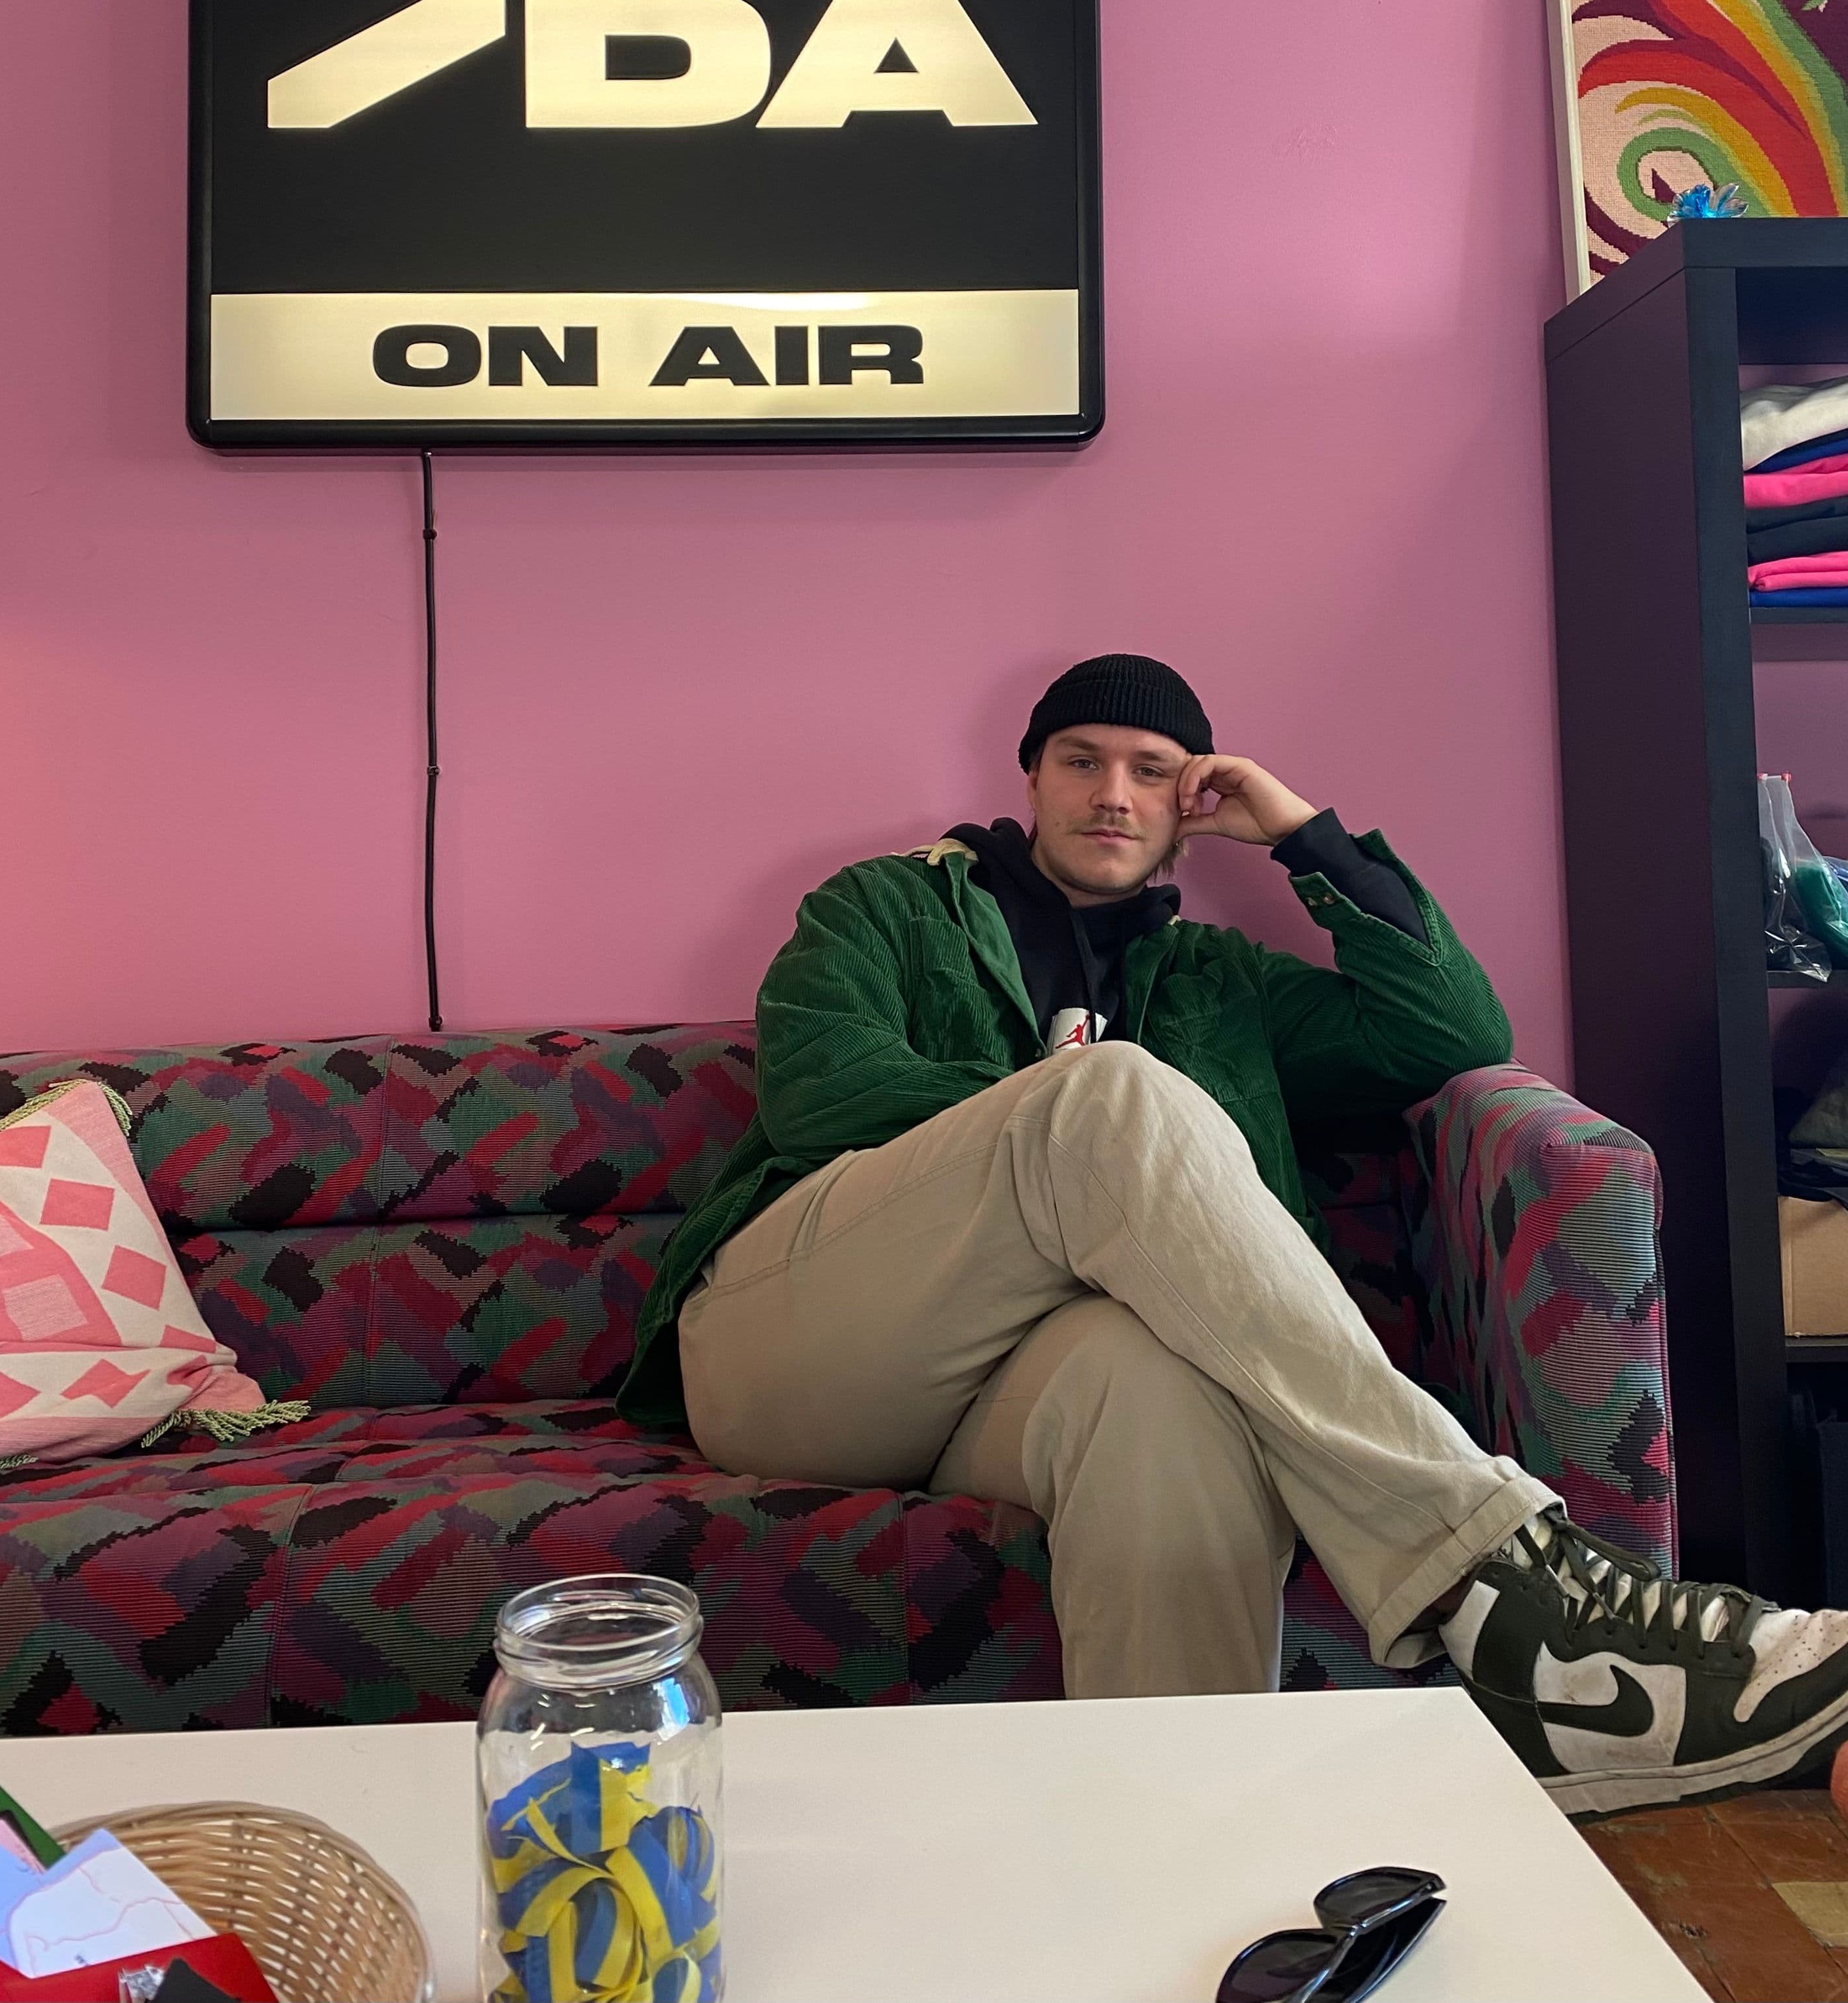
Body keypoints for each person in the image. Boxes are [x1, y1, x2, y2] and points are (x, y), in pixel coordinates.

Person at [622, 652, 1848, 1817]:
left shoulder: (1218, 981)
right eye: (1081, 761)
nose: (1113, 793)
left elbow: (1452, 1035)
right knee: (1109, 1095)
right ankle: (1514, 1588)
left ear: (1193, 799)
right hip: (802, 1350)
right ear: (1031, 777)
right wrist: (1067, 1122)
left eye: (1152, 770)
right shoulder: (888, 907)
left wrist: (1304, 837)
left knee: (1172, 1402)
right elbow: (824, 1095)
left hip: (1008, 1391)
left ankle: (1178, 1843)